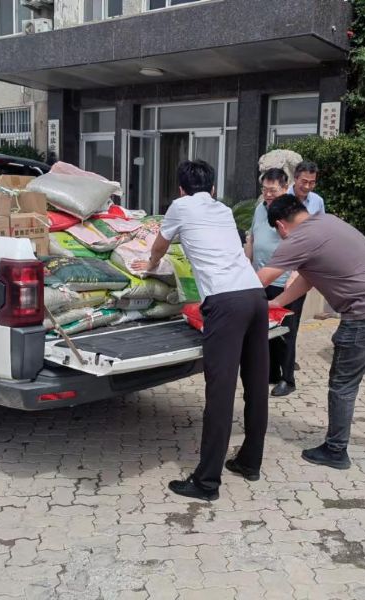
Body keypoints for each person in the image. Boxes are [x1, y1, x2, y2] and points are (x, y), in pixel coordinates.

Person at [257, 195, 365, 470]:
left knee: (343, 383)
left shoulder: (298, 238)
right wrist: (277, 302)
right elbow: (307, 278)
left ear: (281, 225)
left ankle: (335, 450)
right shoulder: (328, 222)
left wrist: (226, 296)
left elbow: (262, 278)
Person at [133, 160, 269, 501]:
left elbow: (160, 245)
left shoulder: (180, 207)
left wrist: (151, 265)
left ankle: (206, 483)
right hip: (255, 296)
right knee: (256, 385)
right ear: (213, 189)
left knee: (220, 394)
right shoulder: (223, 210)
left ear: (181, 190)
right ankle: (250, 462)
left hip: (225, 302)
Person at [245, 168, 302, 397]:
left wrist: (295, 275)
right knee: (265, 328)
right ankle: (271, 372)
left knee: (286, 332)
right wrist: (246, 265)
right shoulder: (260, 208)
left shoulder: (292, 211)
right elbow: (252, 238)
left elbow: (303, 245)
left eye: (273, 190)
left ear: (285, 188)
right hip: (261, 278)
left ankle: (287, 379)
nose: (268, 194)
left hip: (286, 281)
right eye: (265, 190)